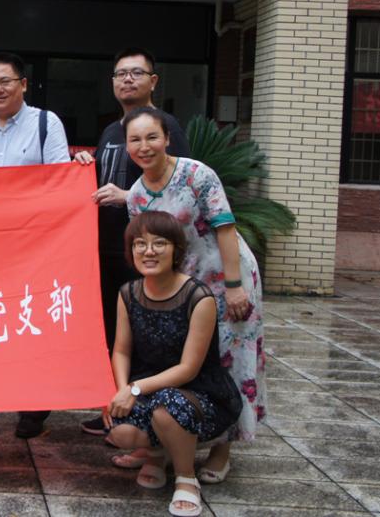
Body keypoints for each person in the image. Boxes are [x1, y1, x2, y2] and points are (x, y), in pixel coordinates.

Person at [123, 106, 265, 485]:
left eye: (152, 137)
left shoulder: (196, 174)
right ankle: (170, 443)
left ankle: (223, 450)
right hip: (180, 289)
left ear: (167, 138)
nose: (144, 146)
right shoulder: (135, 196)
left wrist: (234, 287)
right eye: (135, 140)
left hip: (225, 277)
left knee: (230, 359)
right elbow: (145, 249)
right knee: (177, 358)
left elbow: (225, 228)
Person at [74, 46, 190, 437]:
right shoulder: (111, 130)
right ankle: (115, 406)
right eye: (120, 73)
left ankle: (149, 415)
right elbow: (99, 183)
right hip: (108, 248)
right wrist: (83, 165)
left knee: (147, 332)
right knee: (114, 331)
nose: (127, 79)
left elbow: (180, 187)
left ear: (153, 81)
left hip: (148, 251)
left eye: (136, 73)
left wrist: (129, 197)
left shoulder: (167, 126)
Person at [0, 52, 71, 439]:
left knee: (29, 321)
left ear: (23, 84)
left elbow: (59, 179)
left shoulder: (45, 123)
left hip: (33, 246)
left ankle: (33, 406)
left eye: (5, 81)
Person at [103, 211, 242, 517]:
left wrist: (134, 389)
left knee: (168, 409)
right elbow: (121, 350)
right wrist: (122, 389)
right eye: (140, 244)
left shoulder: (198, 297)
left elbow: (188, 368)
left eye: (159, 243)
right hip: (147, 387)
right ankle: (157, 454)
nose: (149, 251)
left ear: (176, 250)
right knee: (119, 431)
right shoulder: (128, 293)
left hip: (198, 392)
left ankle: (186, 478)